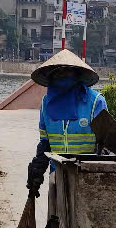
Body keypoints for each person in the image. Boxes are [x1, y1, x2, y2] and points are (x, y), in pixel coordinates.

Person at [26, 49, 107, 196]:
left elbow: (107, 145)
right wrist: (37, 170)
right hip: (56, 176)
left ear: (77, 75)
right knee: (56, 218)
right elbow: (45, 142)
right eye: (58, 73)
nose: (62, 78)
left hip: (87, 179)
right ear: (51, 77)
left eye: (67, 73)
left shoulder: (96, 102)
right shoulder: (46, 103)